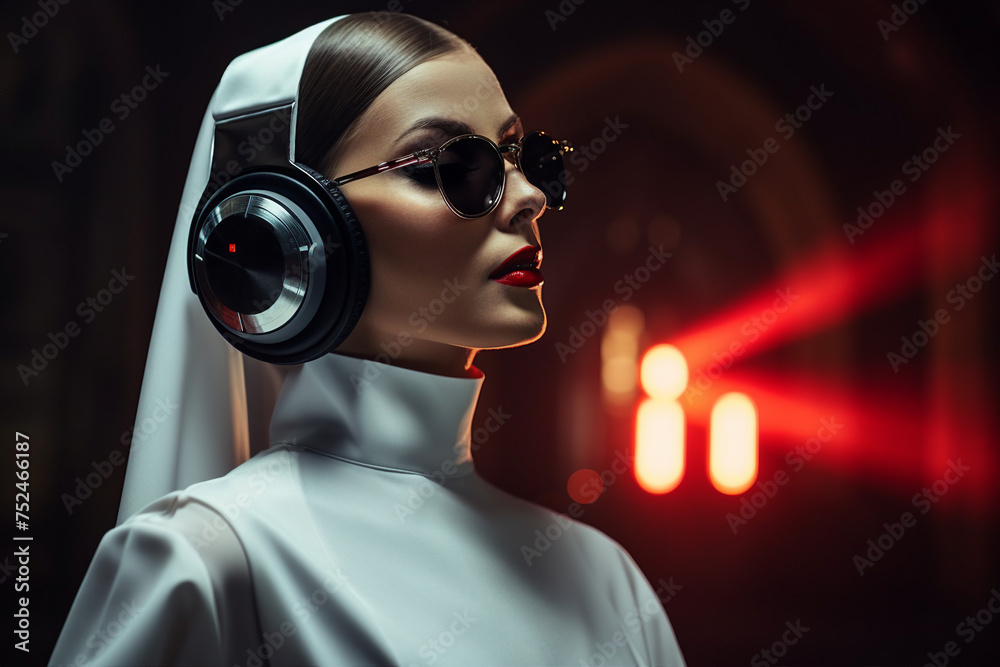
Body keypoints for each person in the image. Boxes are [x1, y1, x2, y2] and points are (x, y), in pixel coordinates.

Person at [49, 12, 686, 666]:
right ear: (292, 222)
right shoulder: (205, 560)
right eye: (457, 165)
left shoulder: (610, 586)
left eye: (530, 160)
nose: (529, 197)